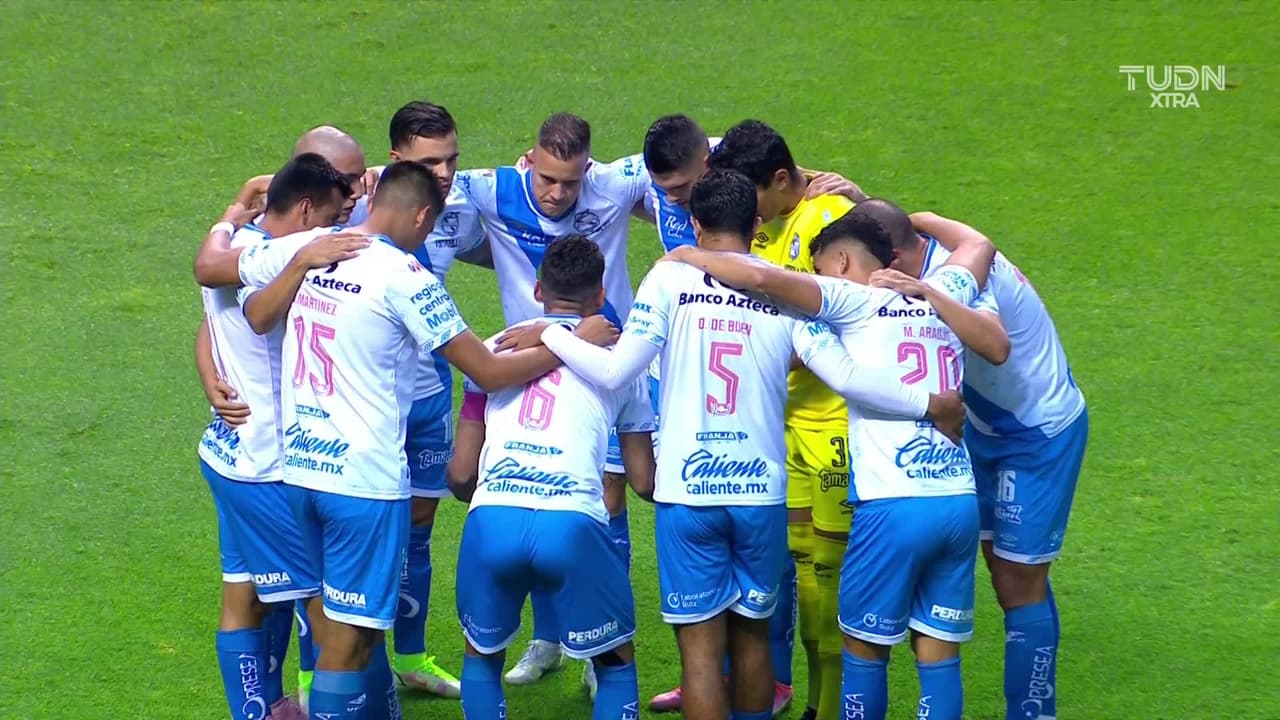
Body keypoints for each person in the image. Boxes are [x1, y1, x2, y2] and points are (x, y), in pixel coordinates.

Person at [509, 170, 962, 720]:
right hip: (760, 496)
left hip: (689, 493)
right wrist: (929, 404)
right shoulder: (785, 288)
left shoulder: (670, 279)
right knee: (751, 643)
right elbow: (845, 377)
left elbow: (614, 373)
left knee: (700, 656)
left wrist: (552, 333)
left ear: (695, 223)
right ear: (755, 224)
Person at [235, 161, 616, 720]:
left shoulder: (313, 246)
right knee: (353, 636)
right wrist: (570, 340)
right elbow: (486, 371)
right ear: (419, 214)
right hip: (362, 482)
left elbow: (233, 286)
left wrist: (282, 254)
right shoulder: (405, 275)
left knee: (328, 619)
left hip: (299, 472)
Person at [665, 201, 1005, 720]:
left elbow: (760, 275)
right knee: (939, 656)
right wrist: (926, 217)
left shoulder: (849, 298)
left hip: (892, 506)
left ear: (842, 264)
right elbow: (978, 245)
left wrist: (690, 253)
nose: (819, 279)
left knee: (864, 650)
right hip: (957, 502)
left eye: (820, 267)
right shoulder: (946, 291)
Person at [639, 113, 870, 716]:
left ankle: (821, 698)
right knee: (758, 625)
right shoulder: (768, 267)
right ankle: (793, 691)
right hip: (767, 460)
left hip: (774, 450)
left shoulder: (675, 275)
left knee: (808, 588)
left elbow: (620, 373)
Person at [454, 112, 649, 689]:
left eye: (570, 180)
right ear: (528, 160)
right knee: (540, 486)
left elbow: (699, 150)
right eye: (547, 178)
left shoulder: (613, 183)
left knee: (604, 493)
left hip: (607, 361)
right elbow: (412, 179)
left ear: (587, 168)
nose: (557, 192)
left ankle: (593, 645)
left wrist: (813, 176)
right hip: (523, 364)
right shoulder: (492, 188)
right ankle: (546, 639)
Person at [873, 210, 1088, 720]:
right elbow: (913, 219)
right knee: (1002, 571)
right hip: (984, 431)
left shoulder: (963, 275)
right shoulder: (923, 244)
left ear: (897, 260)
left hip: (1036, 432)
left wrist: (929, 294)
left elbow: (994, 343)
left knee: (1019, 581)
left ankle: (1034, 713)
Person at [445, 234, 657, 720]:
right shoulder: (622, 361)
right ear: (600, 296)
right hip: (573, 522)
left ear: (538, 290)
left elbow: (460, 473)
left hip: (494, 516)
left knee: (481, 659)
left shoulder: (493, 350)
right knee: (615, 664)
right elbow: (642, 479)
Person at [194, 153, 363, 720]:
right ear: (308, 208)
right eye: (333, 216)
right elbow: (255, 311)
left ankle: (258, 713)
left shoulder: (236, 238)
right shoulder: (289, 251)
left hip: (226, 453)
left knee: (242, 595)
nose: (338, 229)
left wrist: (238, 199)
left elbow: (209, 303)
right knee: (323, 606)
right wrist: (306, 257)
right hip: (268, 464)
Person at [707, 119, 855, 720]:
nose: (750, 216)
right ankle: (803, 696)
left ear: (779, 180)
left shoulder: (830, 222)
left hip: (833, 428)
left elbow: (841, 320)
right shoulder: (765, 227)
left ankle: (832, 705)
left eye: (754, 200)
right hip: (783, 427)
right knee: (797, 568)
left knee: (829, 580)